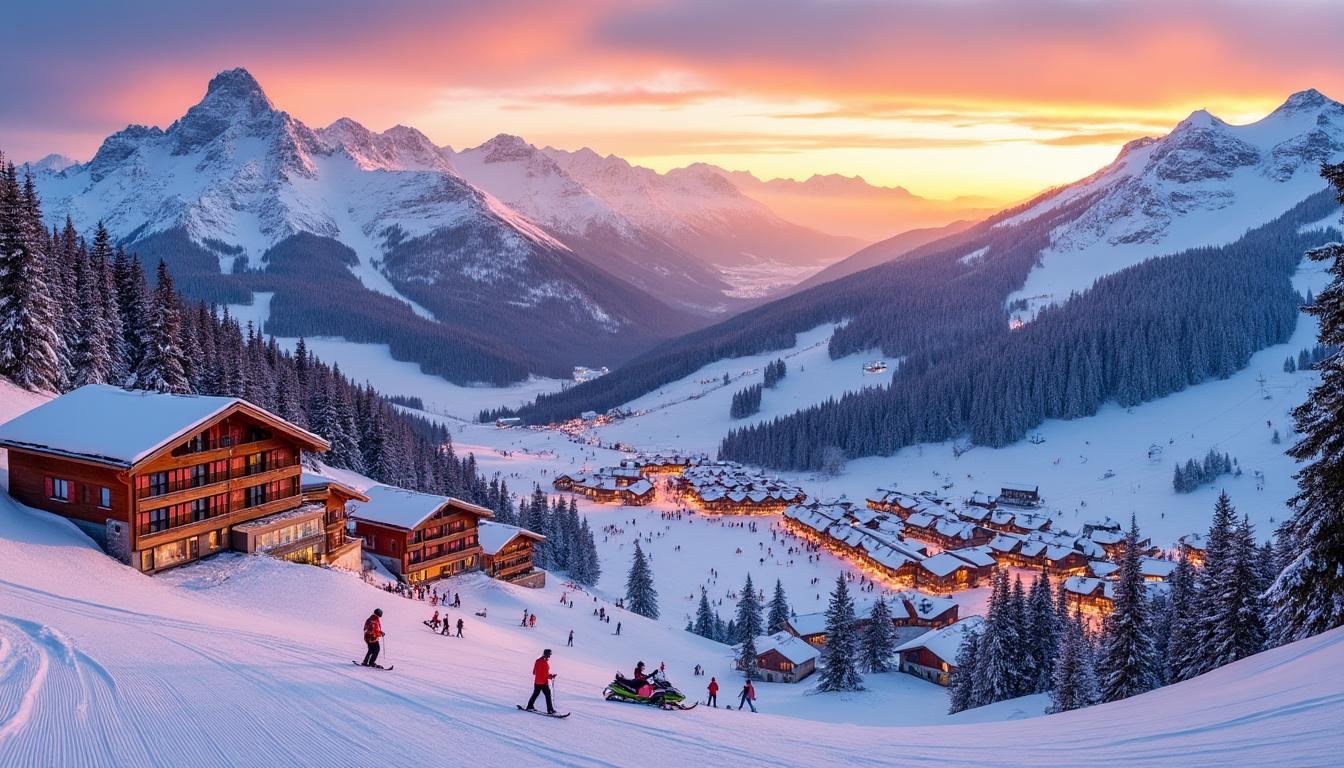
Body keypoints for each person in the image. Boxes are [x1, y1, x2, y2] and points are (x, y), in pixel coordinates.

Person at [526, 649, 557, 714]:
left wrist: (547, 675)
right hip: (543, 683)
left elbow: (534, 672)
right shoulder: (544, 662)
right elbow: (545, 674)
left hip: (537, 682)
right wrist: (551, 676)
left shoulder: (537, 661)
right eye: (549, 655)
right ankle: (550, 710)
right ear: (546, 654)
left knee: (535, 694)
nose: (549, 656)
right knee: (548, 695)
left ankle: (529, 706)